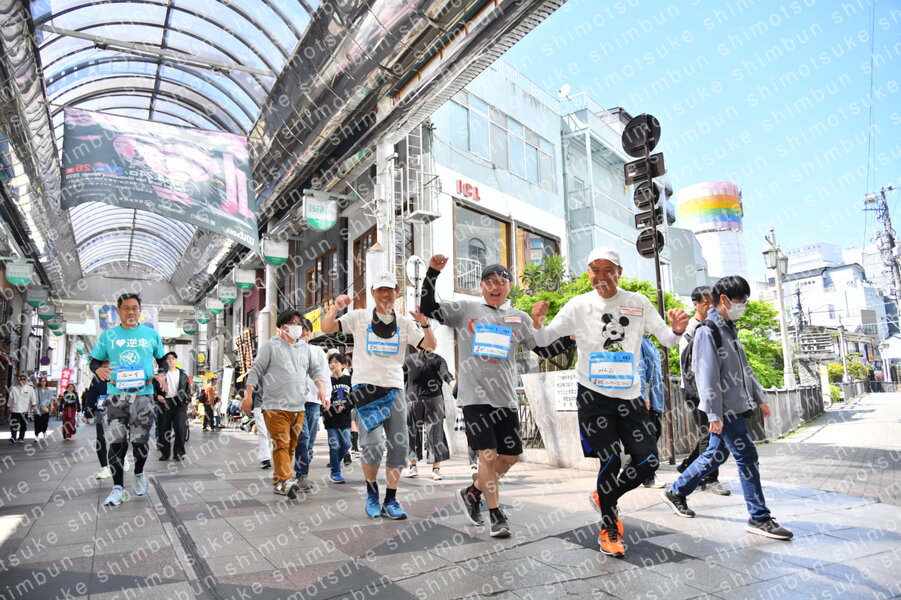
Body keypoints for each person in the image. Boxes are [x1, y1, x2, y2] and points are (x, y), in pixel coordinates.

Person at [531, 247, 688, 557]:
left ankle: (606, 496)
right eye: (594, 269)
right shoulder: (578, 305)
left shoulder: (637, 303)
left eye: (607, 269)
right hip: (593, 395)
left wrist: (678, 329)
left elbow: (668, 340)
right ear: (588, 272)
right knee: (611, 460)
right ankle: (608, 527)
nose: (600, 276)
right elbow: (545, 339)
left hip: (629, 396)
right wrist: (537, 322)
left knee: (648, 461)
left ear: (619, 272)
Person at [421, 256, 573, 537]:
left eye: (501, 282)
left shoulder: (520, 318)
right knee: (487, 456)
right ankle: (496, 514)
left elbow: (544, 350)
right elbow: (427, 308)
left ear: (509, 287)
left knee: (510, 457)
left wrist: (568, 338)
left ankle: (472, 492)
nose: (495, 286)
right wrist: (432, 272)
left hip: (505, 399)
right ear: (481, 286)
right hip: (474, 397)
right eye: (490, 282)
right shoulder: (466, 309)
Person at [661, 276, 793, 540]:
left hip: (734, 406)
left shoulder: (729, 328)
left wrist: (759, 397)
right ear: (723, 299)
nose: (743, 305)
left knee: (715, 454)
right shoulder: (707, 330)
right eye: (740, 300)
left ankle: (676, 491)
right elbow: (706, 375)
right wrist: (713, 414)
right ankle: (759, 517)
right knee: (747, 457)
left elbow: (745, 368)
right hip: (725, 410)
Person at [321, 271, 436, 521]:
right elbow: (327, 327)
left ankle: (391, 499)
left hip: (394, 389)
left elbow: (429, 346)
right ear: (372, 293)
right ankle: (372, 493)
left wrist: (425, 324)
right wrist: (335, 308)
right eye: (380, 289)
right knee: (372, 446)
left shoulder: (404, 323)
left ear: (397, 293)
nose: (385, 294)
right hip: (366, 390)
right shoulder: (359, 317)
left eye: (389, 289)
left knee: (399, 448)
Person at [89, 293, 168, 506]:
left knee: (140, 441)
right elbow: (94, 361)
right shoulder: (108, 336)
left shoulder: (151, 334)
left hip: (143, 395)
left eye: (135, 308)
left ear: (140, 311)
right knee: (117, 441)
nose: (131, 312)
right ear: (118, 311)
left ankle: (139, 472)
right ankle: (117, 488)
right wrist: (98, 370)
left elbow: (162, 360)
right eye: (126, 308)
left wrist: (161, 374)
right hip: (116, 396)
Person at [242, 309, 328, 499]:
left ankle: (279, 482)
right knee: (281, 444)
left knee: (290, 447)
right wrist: (248, 396)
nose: (298, 327)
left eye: (300, 324)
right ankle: (287, 481)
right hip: (274, 406)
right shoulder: (270, 346)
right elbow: (256, 370)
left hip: (298, 406)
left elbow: (315, 370)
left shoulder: (304, 348)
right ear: (283, 326)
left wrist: (321, 389)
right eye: (294, 323)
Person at [678, 286, 730, 496]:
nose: (710, 305)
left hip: (710, 389)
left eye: (712, 301)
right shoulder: (691, 330)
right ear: (695, 304)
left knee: (710, 433)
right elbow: (688, 366)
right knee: (710, 433)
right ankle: (709, 479)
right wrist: (701, 393)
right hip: (697, 390)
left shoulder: (713, 325)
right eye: (705, 301)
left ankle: (688, 465)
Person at [403, 348, 455, 481]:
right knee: (434, 432)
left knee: (413, 432)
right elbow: (446, 375)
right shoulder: (437, 359)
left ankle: (414, 467)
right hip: (432, 399)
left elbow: (400, 379)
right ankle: (434, 470)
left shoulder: (410, 359)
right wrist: (454, 385)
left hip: (414, 400)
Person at [294, 319, 332, 490]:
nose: (305, 335)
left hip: (314, 401)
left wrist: (327, 396)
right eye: (302, 332)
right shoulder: (290, 351)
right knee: (303, 438)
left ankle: (302, 474)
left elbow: (324, 375)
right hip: (296, 402)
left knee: (309, 441)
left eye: (307, 332)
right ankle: (301, 474)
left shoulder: (317, 351)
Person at [152, 351, 190, 461]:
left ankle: (179, 453)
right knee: (163, 429)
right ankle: (165, 453)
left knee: (180, 428)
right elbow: (154, 389)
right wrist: (157, 396)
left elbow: (187, 390)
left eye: (173, 358)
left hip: (179, 404)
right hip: (165, 403)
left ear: (176, 360)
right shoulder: (160, 375)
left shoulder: (183, 375)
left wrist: (185, 402)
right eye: (168, 358)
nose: (171, 360)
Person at [637, 336, 664, 488]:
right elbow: (639, 368)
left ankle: (630, 469)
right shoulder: (638, 340)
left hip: (655, 397)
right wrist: (643, 395)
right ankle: (648, 476)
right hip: (648, 397)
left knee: (654, 434)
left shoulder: (649, 342)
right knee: (649, 438)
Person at [323, 353, 353, 483]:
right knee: (334, 445)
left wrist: (345, 406)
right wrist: (334, 408)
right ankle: (335, 472)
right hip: (330, 418)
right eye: (330, 362)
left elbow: (354, 397)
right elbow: (323, 399)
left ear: (343, 365)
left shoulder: (349, 380)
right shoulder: (326, 381)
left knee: (346, 444)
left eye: (335, 362)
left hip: (345, 418)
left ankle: (335, 462)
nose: (332, 364)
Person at [83, 361, 112, 479]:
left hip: (119, 410)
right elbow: (91, 396)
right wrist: (87, 414)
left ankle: (122, 459)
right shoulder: (96, 378)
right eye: (103, 364)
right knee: (101, 438)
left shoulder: (120, 374)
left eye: (108, 363)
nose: (106, 366)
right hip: (101, 411)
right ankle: (104, 467)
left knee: (119, 439)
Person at [8, 374, 35, 443]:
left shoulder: (30, 389)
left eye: (24, 379)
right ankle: (13, 437)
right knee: (14, 423)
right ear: (18, 380)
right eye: (21, 379)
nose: (22, 380)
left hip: (25, 410)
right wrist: (9, 406)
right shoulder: (14, 389)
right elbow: (10, 399)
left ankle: (21, 437)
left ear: (26, 380)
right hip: (15, 409)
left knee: (23, 424)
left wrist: (33, 406)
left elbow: (33, 398)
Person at [251, 384, 271, 469]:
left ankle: (267, 455)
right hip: (259, 405)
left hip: (273, 406)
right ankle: (265, 458)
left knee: (270, 433)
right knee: (262, 431)